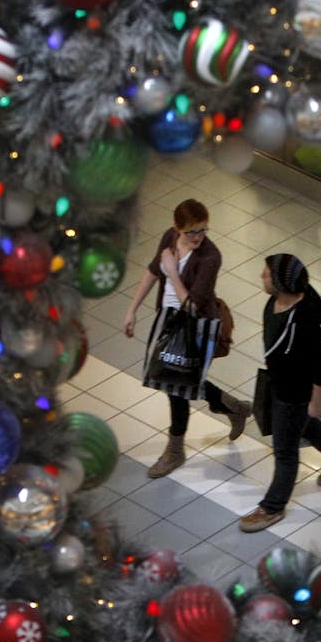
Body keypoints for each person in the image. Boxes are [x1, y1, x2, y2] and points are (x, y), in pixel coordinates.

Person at [122, 198, 252, 478]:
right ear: (177, 228)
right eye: (191, 231)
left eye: (203, 230)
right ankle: (235, 407)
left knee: (176, 386)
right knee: (177, 378)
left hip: (196, 325)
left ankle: (175, 450)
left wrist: (173, 272)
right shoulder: (170, 239)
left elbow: (192, 305)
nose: (198, 237)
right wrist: (131, 310)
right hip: (168, 320)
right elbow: (151, 272)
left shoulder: (210, 257)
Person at [239, 254, 321, 533]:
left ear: (281, 283)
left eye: (267, 274)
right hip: (280, 384)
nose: (262, 276)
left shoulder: (303, 325)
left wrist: (316, 403)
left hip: (294, 394)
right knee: (305, 426)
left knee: (285, 451)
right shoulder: (276, 302)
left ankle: (272, 507)